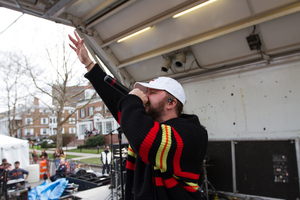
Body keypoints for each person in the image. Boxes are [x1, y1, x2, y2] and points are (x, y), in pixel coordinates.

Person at [69, 32, 208, 200]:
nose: (145, 97)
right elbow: (117, 102)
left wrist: (133, 99)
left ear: (171, 102)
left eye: (152, 93)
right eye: (145, 92)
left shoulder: (193, 133)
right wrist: (89, 64)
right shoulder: (145, 124)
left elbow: (147, 139)